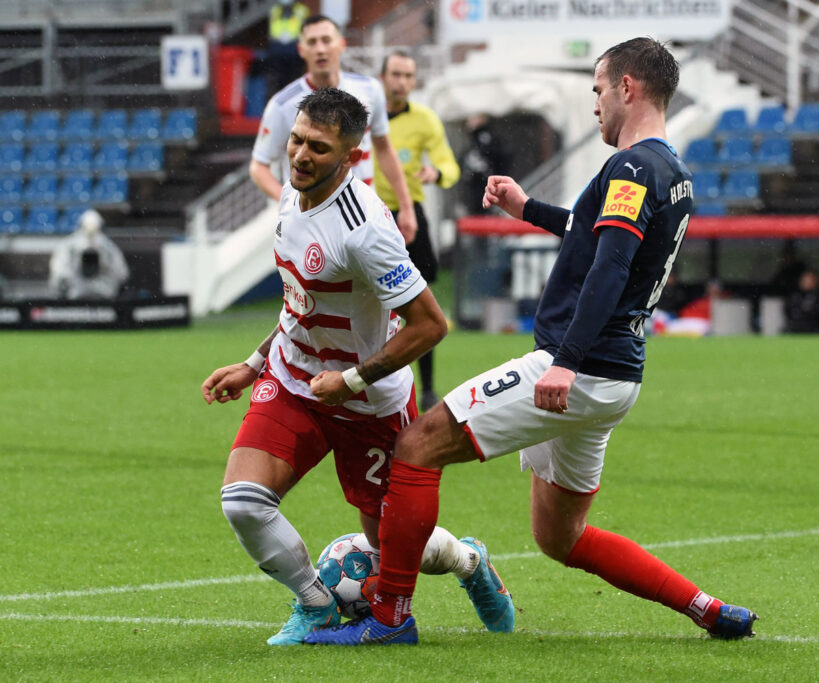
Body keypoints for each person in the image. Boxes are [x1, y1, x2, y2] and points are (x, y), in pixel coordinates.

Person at [304, 37, 758, 647]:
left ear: (628, 88)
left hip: (579, 369)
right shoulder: (668, 171)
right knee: (559, 538)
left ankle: (388, 618)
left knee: (415, 446)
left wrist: (565, 363)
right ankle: (707, 608)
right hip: (616, 376)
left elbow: (611, 266)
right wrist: (528, 208)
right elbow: (592, 234)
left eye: (598, 89)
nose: (594, 103)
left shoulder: (632, 166)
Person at [202, 89, 512, 646]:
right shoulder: (290, 195)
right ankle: (317, 606)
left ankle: (468, 561)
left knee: (392, 546)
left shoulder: (365, 227)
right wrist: (254, 363)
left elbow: (429, 325)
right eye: (296, 140)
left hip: (367, 403)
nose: (299, 155)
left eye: (318, 148)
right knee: (244, 502)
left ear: (349, 157)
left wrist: (350, 381)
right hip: (294, 382)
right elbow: (300, 301)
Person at [249, 14, 418, 242]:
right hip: (312, 224)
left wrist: (406, 207)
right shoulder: (282, 105)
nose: (320, 49)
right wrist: (291, 204)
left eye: (326, 40)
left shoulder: (370, 89)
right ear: (301, 50)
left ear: (342, 44)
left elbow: (384, 148)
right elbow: (259, 166)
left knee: (385, 277)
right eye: (312, 42)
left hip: (366, 216)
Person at [376, 50, 462, 410]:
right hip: (367, 217)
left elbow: (449, 165)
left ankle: (426, 388)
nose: (402, 82)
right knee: (369, 304)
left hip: (408, 218)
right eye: (396, 74)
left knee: (419, 305)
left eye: (408, 76)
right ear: (382, 77)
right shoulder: (364, 117)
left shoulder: (425, 119)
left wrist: (436, 174)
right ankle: (371, 383)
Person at [48, 209, 129, 300]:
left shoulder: (108, 247)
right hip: (76, 292)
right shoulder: (69, 246)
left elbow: (120, 272)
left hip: (103, 293)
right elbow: (60, 271)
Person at [460, 113, 508, 216]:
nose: (469, 122)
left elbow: (496, 157)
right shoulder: (476, 138)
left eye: (473, 118)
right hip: (477, 188)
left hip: (484, 186)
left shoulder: (485, 137)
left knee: (483, 211)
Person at [266, 0, 309, 94]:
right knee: (277, 82)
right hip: (278, 51)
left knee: (293, 81)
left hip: (294, 50)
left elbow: (305, 31)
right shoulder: (275, 11)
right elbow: (271, 32)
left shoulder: (301, 10)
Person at [784, 268, 819, 333]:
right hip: (794, 328)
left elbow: (818, 315)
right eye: (804, 280)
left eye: (809, 280)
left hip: (813, 329)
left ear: (816, 281)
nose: (806, 282)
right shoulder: (795, 295)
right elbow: (788, 311)